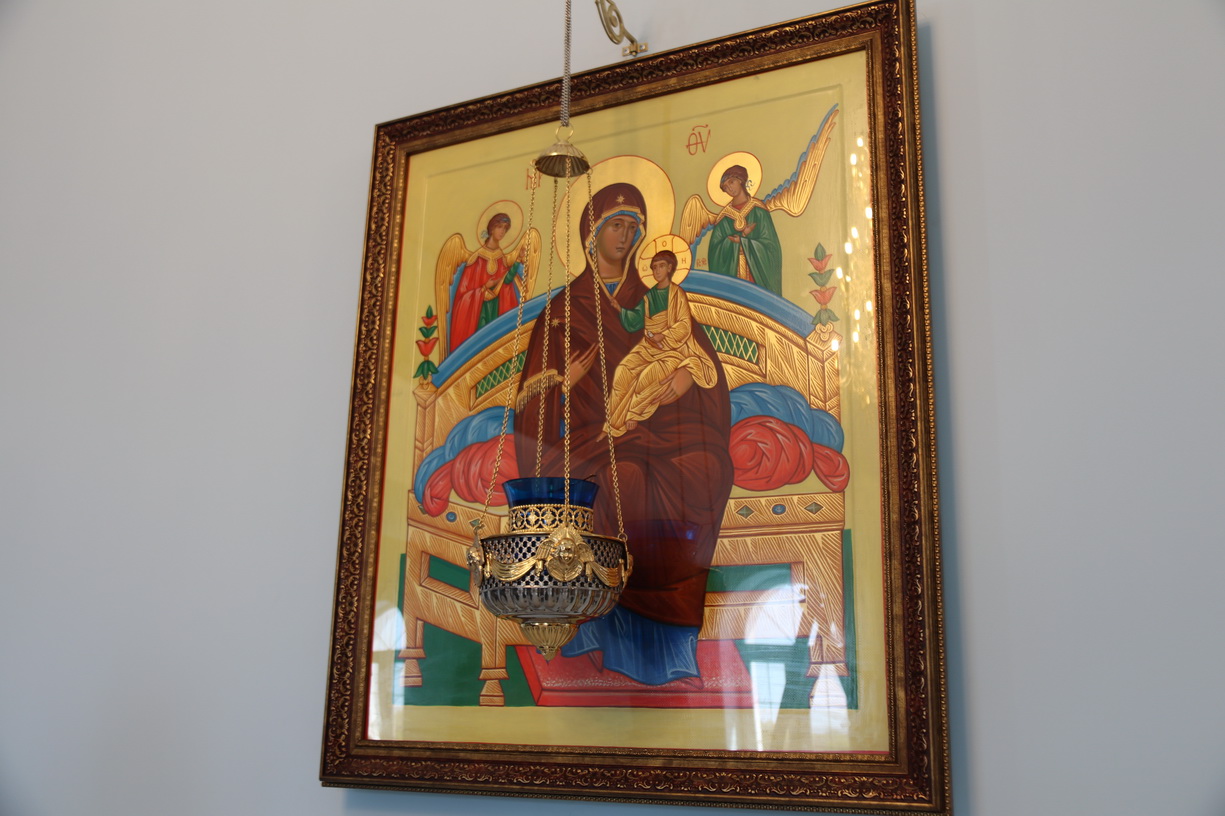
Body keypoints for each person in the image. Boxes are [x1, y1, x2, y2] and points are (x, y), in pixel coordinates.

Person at [514, 183, 733, 686]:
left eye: (634, 227)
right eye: (616, 225)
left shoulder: (658, 297)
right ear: (591, 235)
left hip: (659, 430)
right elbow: (532, 416)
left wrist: (687, 378)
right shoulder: (562, 312)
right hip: (591, 440)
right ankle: (604, 634)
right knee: (625, 479)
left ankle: (670, 645)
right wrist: (564, 383)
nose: (626, 235)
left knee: (703, 467)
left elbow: (698, 359)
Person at [605, 250, 717, 437]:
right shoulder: (649, 296)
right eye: (654, 267)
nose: (657, 271)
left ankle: (633, 413)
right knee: (622, 371)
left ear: (670, 268)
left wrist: (663, 335)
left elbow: (684, 325)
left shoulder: (677, 294)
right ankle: (614, 423)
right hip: (648, 347)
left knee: (649, 375)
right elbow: (636, 320)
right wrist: (620, 310)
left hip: (673, 350)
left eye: (661, 266)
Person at [448, 213, 526, 353]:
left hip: (495, 310)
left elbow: (507, 281)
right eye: (499, 227)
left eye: (505, 228)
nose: (502, 231)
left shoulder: (500, 257)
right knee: (480, 348)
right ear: (491, 229)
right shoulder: (476, 258)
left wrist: (518, 260)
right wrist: (483, 289)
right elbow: (462, 295)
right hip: (478, 312)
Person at [707, 164, 783, 295]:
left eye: (731, 182)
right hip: (733, 282)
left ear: (740, 180)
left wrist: (744, 242)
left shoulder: (759, 211)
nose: (730, 188)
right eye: (726, 187)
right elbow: (715, 252)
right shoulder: (723, 219)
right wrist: (733, 242)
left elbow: (771, 247)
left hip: (757, 279)